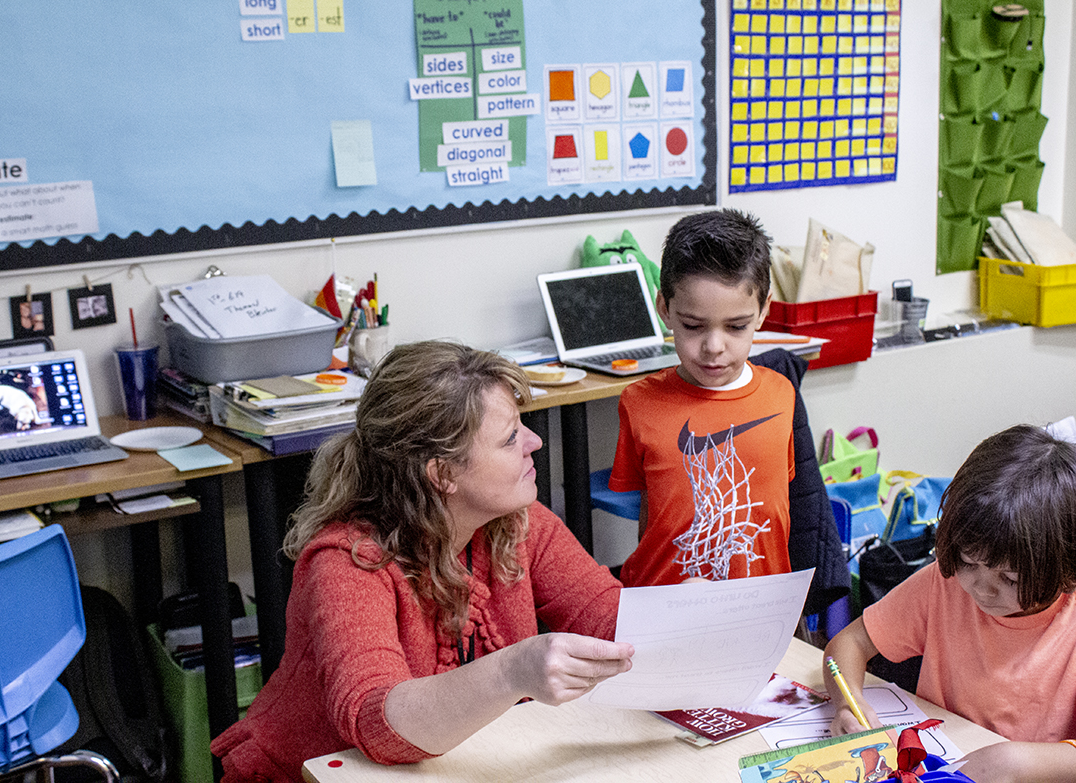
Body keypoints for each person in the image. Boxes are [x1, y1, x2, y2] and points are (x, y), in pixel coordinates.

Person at [211, 340, 634, 782]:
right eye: (510, 437)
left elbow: (607, 615)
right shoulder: (347, 562)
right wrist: (514, 670)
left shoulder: (518, 524)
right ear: (442, 474)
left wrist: (689, 613)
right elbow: (377, 724)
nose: (535, 441)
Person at [824, 425, 1076, 782]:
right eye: (969, 562)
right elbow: (849, 643)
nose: (982, 589)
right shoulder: (943, 587)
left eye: (1010, 579)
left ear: (1067, 569)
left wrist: (1015, 763)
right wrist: (851, 704)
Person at [609, 209, 797, 587]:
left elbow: (775, 510)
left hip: (760, 605)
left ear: (763, 310)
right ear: (665, 309)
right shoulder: (638, 402)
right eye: (693, 326)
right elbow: (651, 512)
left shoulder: (781, 394)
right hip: (664, 605)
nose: (714, 347)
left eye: (737, 327)